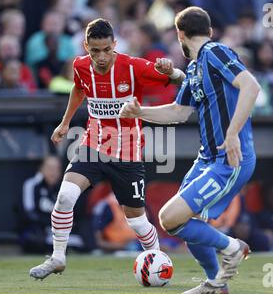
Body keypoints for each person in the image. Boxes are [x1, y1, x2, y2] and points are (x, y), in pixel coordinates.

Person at [29, 18, 185, 280]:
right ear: (86, 46)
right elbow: (79, 89)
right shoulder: (80, 65)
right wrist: (65, 123)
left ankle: (157, 260)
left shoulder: (132, 66)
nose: (101, 57)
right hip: (93, 144)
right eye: (95, 51)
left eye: (106, 50)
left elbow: (180, 79)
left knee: (136, 220)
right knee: (65, 196)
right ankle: (57, 258)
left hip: (128, 152)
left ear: (114, 44)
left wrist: (170, 70)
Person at [121, 6, 260, 294]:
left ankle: (233, 247)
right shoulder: (196, 68)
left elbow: (251, 85)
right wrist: (139, 111)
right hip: (206, 159)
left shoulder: (216, 52)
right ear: (208, 29)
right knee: (180, 221)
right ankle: (215, 282)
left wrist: (233, 133)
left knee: (170, 218)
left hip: (230, 158)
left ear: (179, 34)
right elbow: (178, 112)